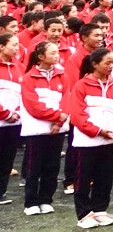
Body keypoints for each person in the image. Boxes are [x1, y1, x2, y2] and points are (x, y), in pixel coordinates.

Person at [67, 47, 113, 228]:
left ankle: (100, 209)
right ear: (95, 64)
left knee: (105, 176)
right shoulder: (82, 85)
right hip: (88, 141)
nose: (112, 66)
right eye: (107, 63)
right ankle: (84, 214)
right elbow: (78, 116)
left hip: (111, 140)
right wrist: (99, 131)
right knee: (83, 177)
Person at [21, 41, 69, 216]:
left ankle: (46, 199)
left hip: (57, 128)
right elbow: (33, 105)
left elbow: (67, 97)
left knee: (52, 166)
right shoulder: (29, 77)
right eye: (53, 53)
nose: (57, 56)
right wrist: (57, 117)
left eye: (58, 53)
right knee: (34, 167)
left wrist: (59, 121)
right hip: (37, 129)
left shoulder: (62, 75)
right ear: (41, 57)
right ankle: (31, 202)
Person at [0, 32, 23, 206]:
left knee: (8, 157)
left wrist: (16, 112)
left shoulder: (19, 67)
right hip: (4, 118)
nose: (17, 48)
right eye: (13, 45)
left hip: (14, 121)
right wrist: (5, 113)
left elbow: (25, 93)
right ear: (1, 46)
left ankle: (1, 191)